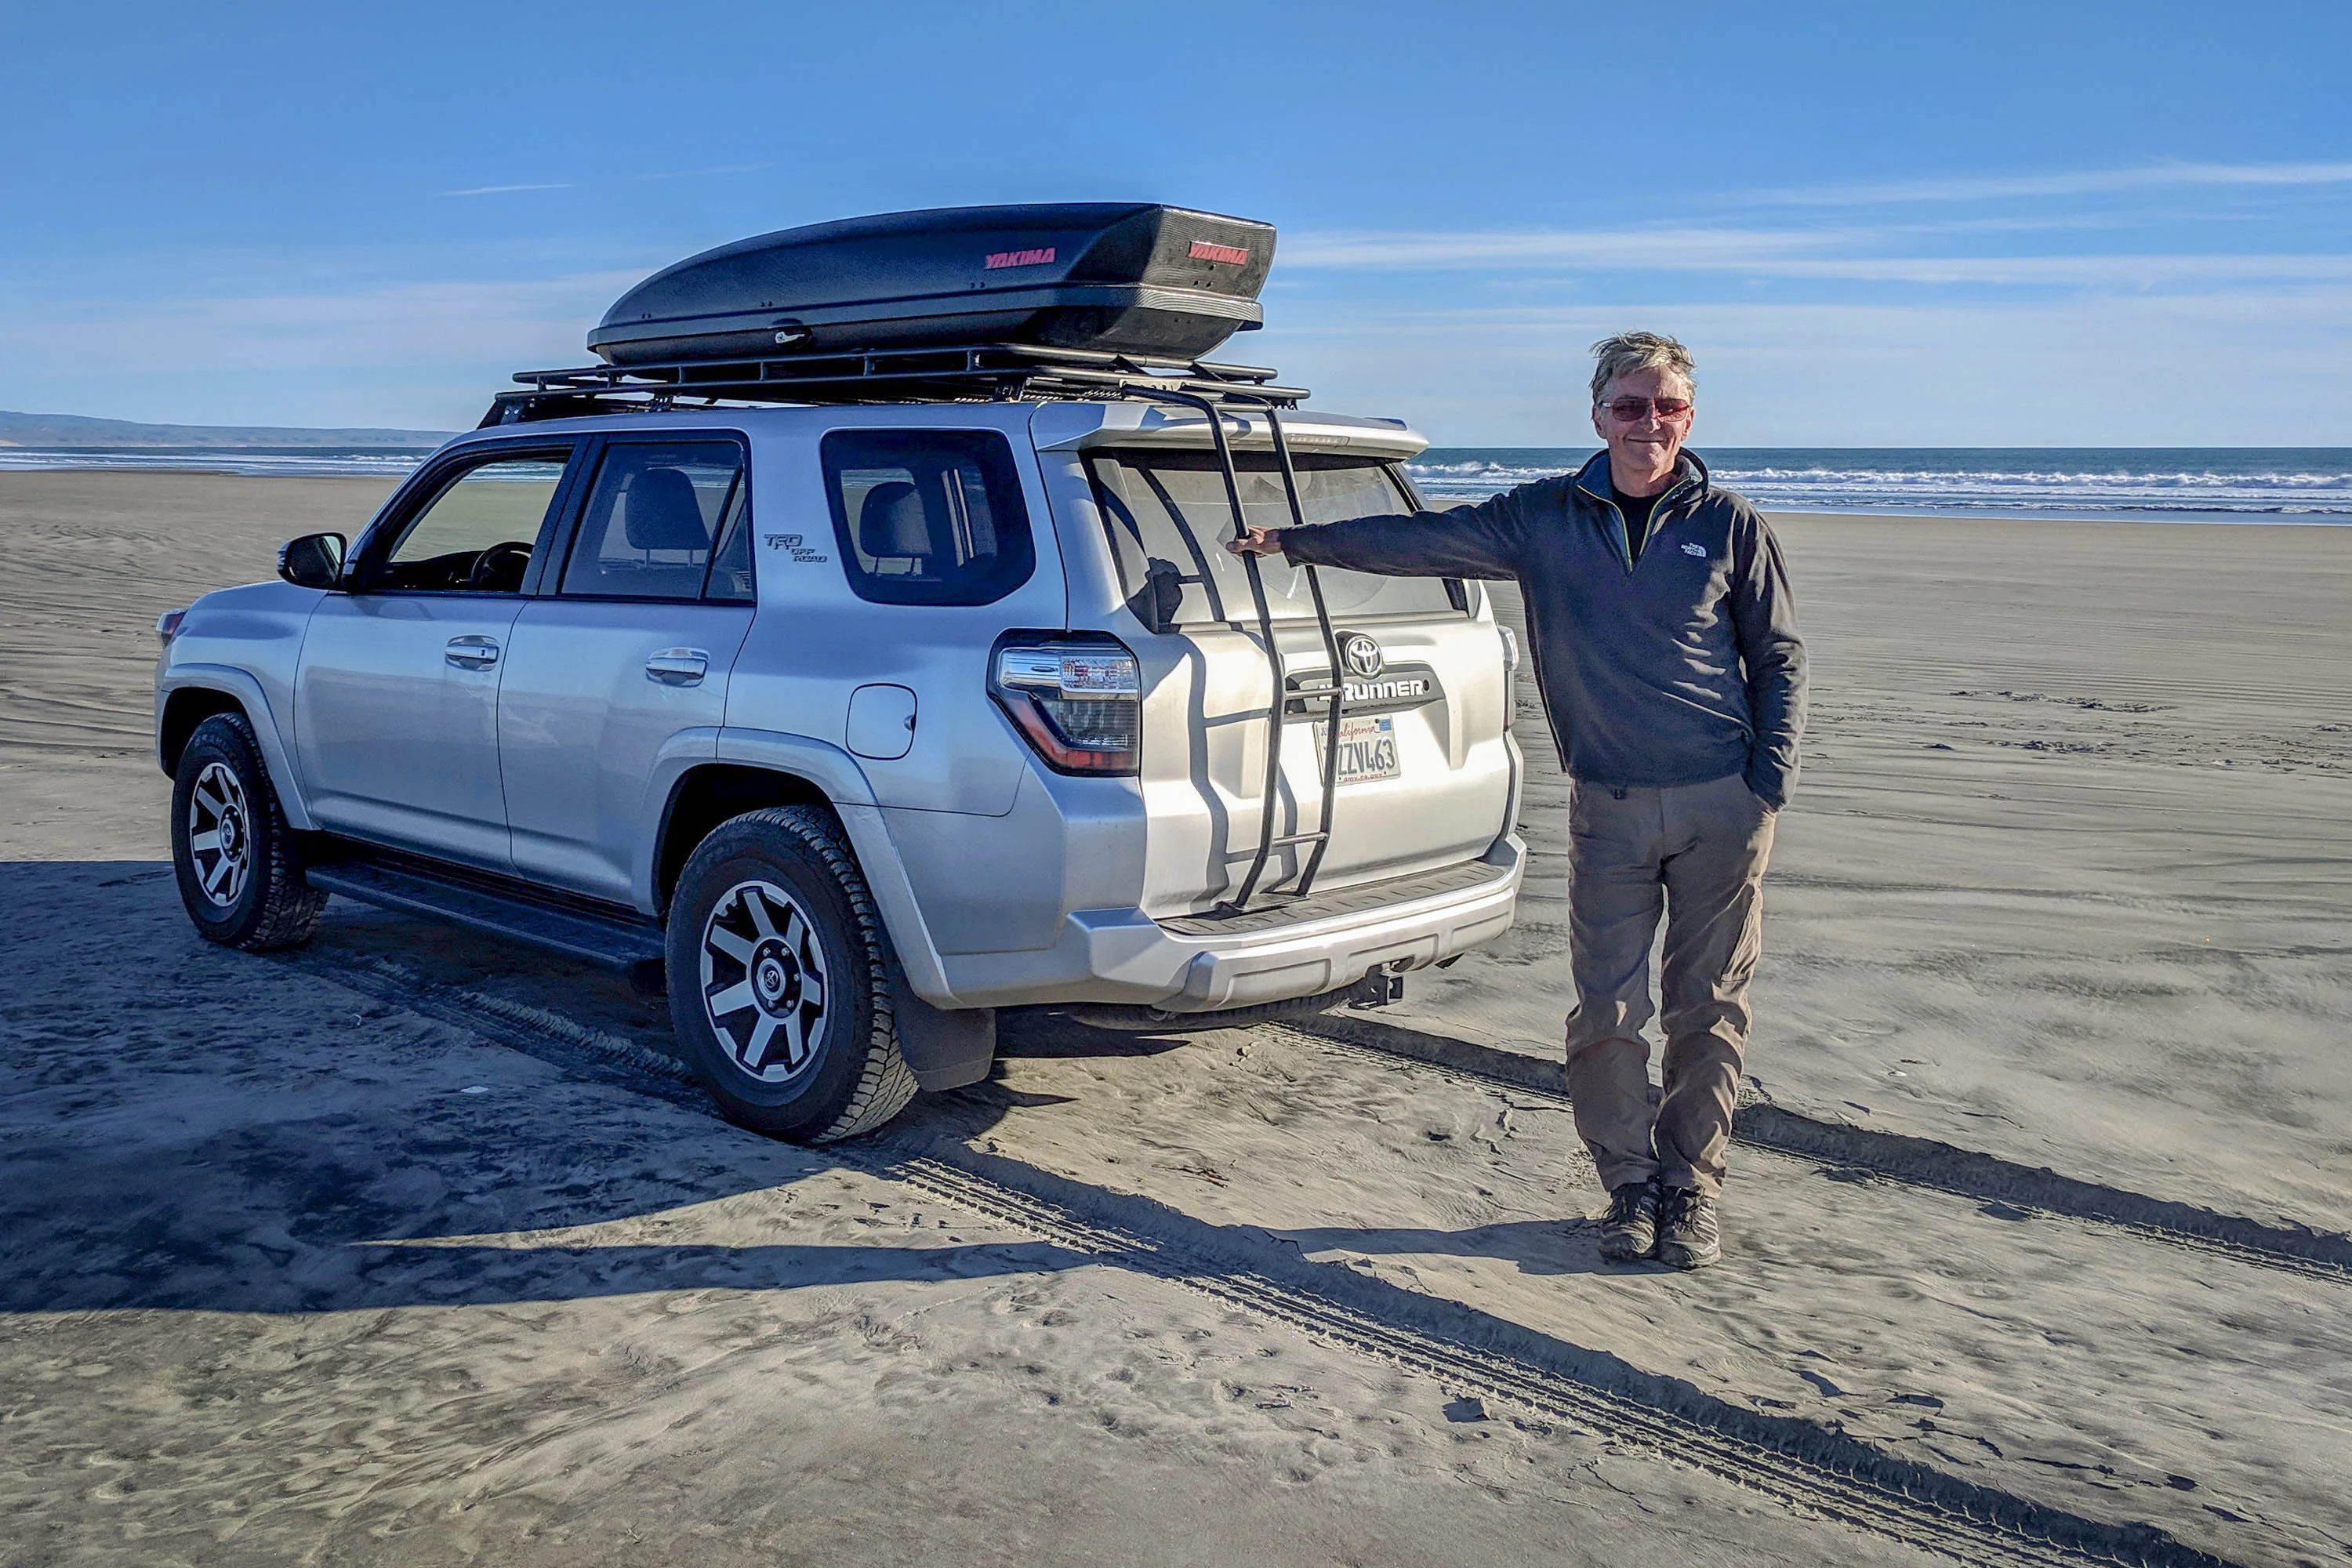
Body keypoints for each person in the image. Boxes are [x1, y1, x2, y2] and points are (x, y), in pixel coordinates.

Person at [1229, 332, 1804, 1269]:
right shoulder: (1544, 518)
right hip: (1608, 807)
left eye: (1665, 406)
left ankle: (1692, 1188)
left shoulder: (1731, 524)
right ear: (1597, 414)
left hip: (1722, 807)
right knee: (1607, 1011)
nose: (1647, 422)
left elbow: (1778, 658)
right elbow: (1420, 541)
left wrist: (1765, 783)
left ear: (1689, 416)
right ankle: (1627, 1186)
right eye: (1629, 405)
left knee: (1709, 1006)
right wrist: (1296, 543)